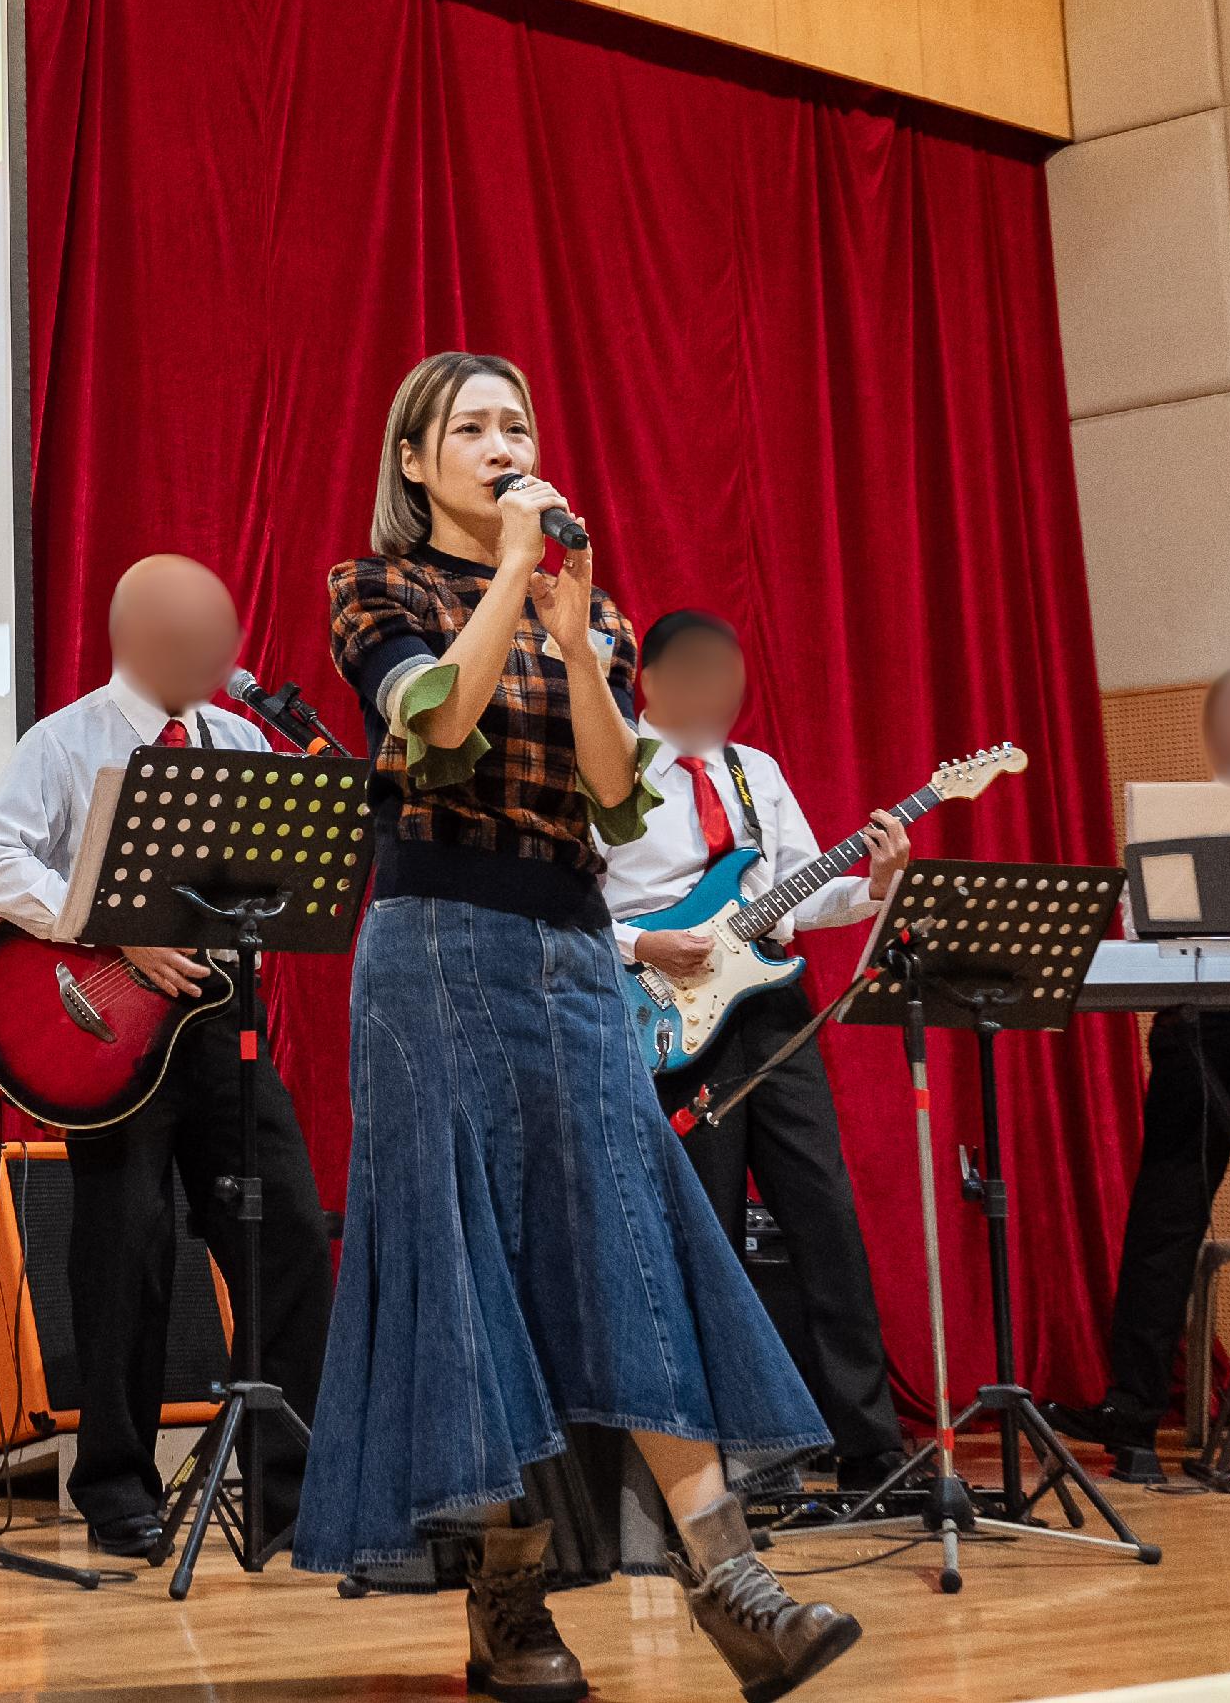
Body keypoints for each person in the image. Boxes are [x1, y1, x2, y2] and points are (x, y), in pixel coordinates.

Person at [299, 353, 856, 1703]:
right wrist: (508, 580)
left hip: (567, 952)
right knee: (471, 1269)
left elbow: (614, 791)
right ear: (417, 461)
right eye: (473, 427)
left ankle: (734, 1580)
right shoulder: (374, 590)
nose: (502, 443)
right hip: (438, 949)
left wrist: (568, 616)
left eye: (519, 423)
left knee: (635, 1245)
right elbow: (435, 718)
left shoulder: (579, 604)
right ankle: (509, 1603)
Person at [0, 555, 336, 1561]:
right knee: (123, 1248)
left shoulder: (243, 739)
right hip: (107, 1031)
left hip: (219, 1024)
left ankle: (292, 1492)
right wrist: (107, 927)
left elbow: (286, 888)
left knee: (285, 1228)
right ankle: (117, 1487)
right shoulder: (65, 739)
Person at [606, 611, 912, 1494]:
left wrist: (876, 884)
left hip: (773, 1008)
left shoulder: (757, 772)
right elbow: (572, 906)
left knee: (826, 1217)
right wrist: (643, 949)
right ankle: (720, 1456)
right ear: (649, 682)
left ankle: (870, 1450)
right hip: (666, 1016)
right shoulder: (610, 767)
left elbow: (804, 891)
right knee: (706, 1232)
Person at [1049, 663, 1230, 1487]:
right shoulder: (1180, 819)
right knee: (1166, 1222)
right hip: (1198, 1026)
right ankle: (1134, 1416)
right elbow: (1148, 924)